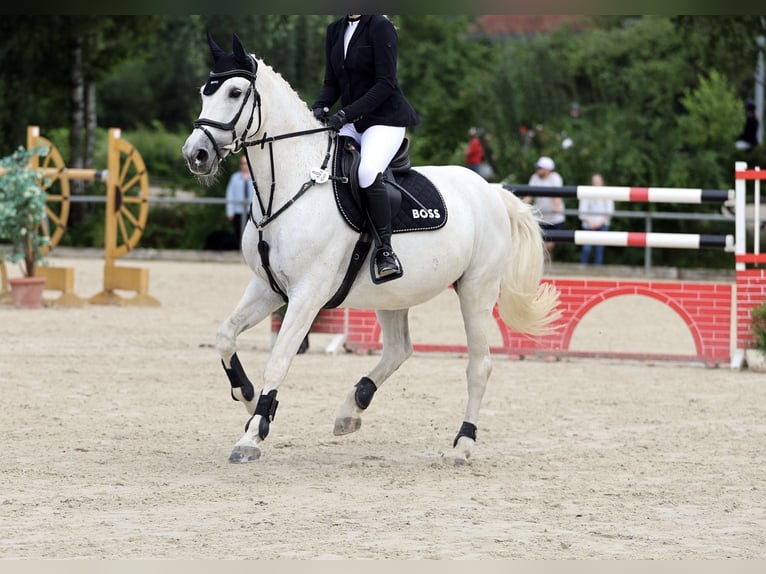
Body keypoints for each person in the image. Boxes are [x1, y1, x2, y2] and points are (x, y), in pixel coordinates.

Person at [311, 14, 420, 283]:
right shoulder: (335, 30)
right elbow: (331, 83)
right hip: (352, 121)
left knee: (368, 171)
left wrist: (345, 114)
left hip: (385, 120)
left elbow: (385, 83)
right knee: (317, 163)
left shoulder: (380, 26)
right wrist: (319, 107)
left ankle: (385, 250)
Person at [524, 156, 565, 261]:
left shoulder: (555, 178)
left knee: (549, 246)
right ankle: (545, 265)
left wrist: (556, 207)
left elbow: (557, 195)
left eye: (540, 168)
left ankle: (546, 264)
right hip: (541, 217)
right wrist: (522, 207)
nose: (537, 170)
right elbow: (529, 194)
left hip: (554, 218)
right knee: (541, 245)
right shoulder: (535, 177)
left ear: (547, 169)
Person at [578, 172, 614, 266]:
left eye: (597, 181)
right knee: (586, 249)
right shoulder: (587, 193)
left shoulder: (607, 193)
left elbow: (609, 212)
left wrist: (598, 223)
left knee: (599, 249)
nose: (595, 184)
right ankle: (582, 269)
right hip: (588, 225)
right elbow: (582, 212)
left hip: (602, 225)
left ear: (602, 182)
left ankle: (597, 271)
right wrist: (590, 223)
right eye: (594, 182)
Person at [225, 156, 255, 249]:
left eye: (246, 163)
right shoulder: (235, 178)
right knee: (239, 234)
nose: (244, 165)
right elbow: (230, 194)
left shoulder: (255, 177)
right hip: (238, 211)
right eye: (242, 163)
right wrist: (230, 211)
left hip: (252, 212)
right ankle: (239, 254)